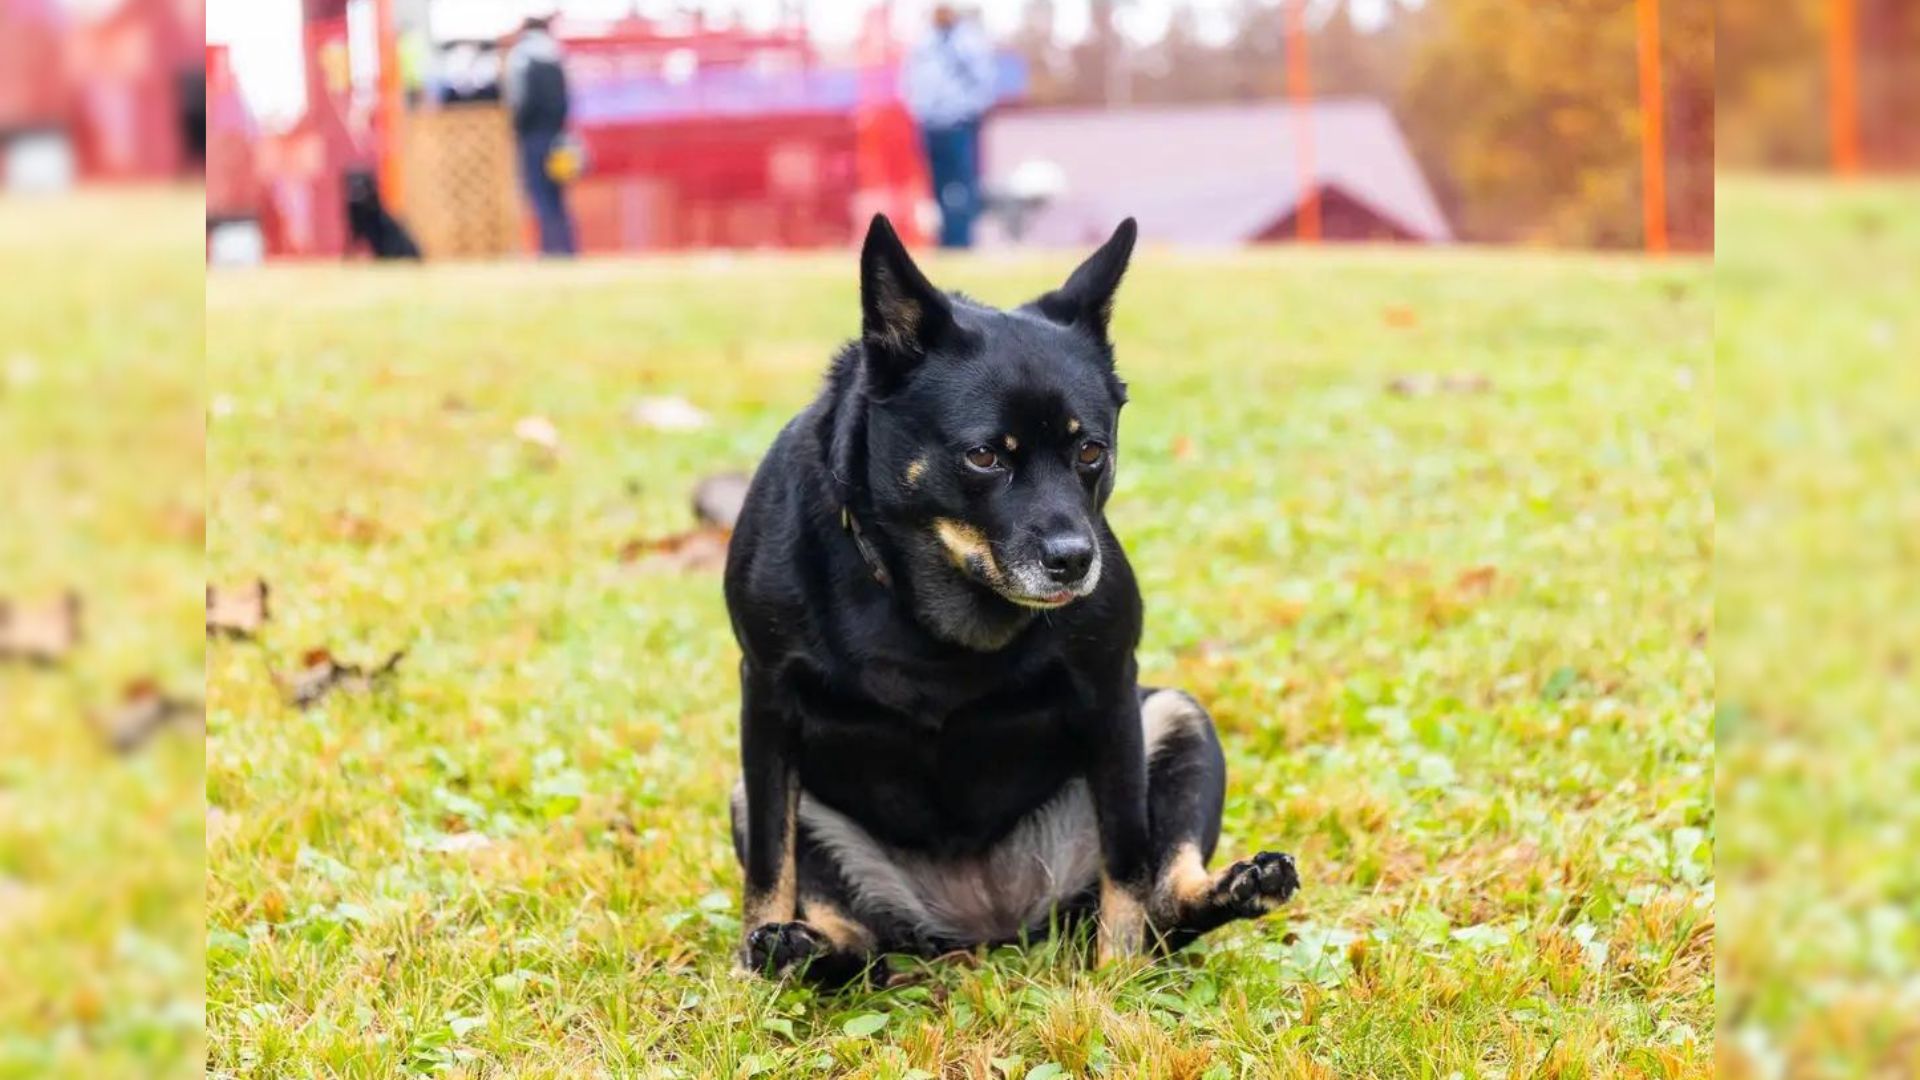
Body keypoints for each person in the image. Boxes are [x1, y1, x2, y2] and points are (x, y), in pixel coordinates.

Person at [902, 4, 998, 249]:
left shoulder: (969, 43)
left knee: (961, 186)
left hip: (958, 122)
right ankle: (945, 240)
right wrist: (918, 110)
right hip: (930, 123)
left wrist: (970, 110)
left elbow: (985, 81)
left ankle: (961, 241)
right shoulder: (923, 43)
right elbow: (910, 81)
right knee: (938, 185)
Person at [503, 15, 576, 257]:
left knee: (539, 195)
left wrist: (515, 126)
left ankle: (549, 250)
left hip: (532, 136)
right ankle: (566, 249)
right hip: (557, 136)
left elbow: (518, 100)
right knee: (557, 196)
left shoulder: (521, 57)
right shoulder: (557, 56)